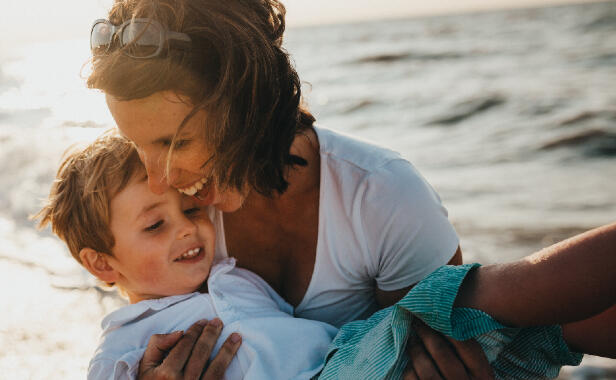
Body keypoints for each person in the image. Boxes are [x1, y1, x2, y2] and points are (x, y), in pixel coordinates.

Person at [84, 0, 616, 378]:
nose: (158, 176)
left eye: (174, 142)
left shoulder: (379, 196)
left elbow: (447, 341)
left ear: (243, 103)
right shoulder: (173, 216)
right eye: (137, 147)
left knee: (513, 319)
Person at [35, 133, 614, 379]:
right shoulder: (125, 342)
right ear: (102, 265)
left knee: (547, 327)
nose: (189, 229)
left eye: (189, 210)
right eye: (155, 225)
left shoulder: (231, 276)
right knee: (486, 297)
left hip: (357, 356)